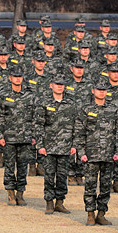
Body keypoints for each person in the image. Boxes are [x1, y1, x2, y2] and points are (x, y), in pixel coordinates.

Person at [74, 80, 118, 226]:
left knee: (106, 186)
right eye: (99, 89)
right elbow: (79, 132)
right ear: (93, 91)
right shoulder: (86, 110)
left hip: (108, 155)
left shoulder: (113, 109)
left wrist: (117, 152)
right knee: (90, 186)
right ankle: (90, 214)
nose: (102, 92)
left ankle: (101, 214)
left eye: (104, 90)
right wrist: (81, 152)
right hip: (91, 155)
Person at [36, 76, 76, 214]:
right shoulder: (45, 103)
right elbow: (39, 125)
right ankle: (49, 202)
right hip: (49, 147)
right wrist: (40, 145)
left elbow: (75, 125)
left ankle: (60, 202)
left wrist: (74, 144)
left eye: (62, 84)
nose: (60, 87)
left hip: (65, 146)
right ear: (51, 85)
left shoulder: (70, 104)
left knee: (62, 176)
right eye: (57, 84)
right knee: (49, 175)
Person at [0, 68, 36, 205]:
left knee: (22, 167)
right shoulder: (4, 95)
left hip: (25, 138)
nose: (18, 79)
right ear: (10, 78)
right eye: (15, 76)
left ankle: (20, 193)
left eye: (20, 76)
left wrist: (33, 135)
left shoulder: (29, 95)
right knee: (9, 166)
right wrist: (0, 136)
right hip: (9, 138)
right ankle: (10, 194)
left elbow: (34, 117)